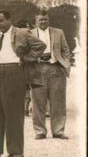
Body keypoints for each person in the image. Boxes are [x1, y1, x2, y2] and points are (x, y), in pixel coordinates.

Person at [0, 10, 46, 157]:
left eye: (1, 20)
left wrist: (26, 58)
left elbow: (40, 46)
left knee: (13, 114)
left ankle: (16, 152)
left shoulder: (22, 32)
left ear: (8, 20)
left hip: (14, 72)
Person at [31, 10, 73, 140]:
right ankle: (40, 131)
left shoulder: (58, 32)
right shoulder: (30, 34)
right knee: (38, 101)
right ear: (36, 21)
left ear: (49, 20)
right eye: (40, 19)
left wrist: (65, 63)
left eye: (45, 19)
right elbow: (25, 51)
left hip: (56, 68)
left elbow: (65, 50)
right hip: (37, 69)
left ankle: (58, 131)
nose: (43, 22)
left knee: (58, 101)